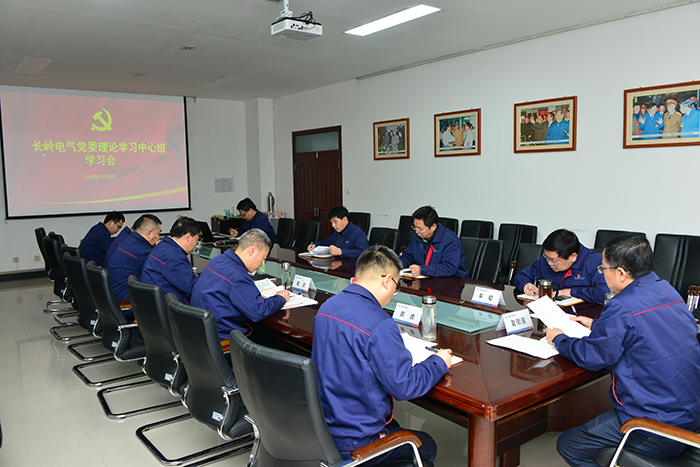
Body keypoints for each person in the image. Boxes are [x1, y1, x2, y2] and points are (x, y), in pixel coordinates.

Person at [545, 234, 700, 467]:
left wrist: (559, 339)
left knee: (570, 444)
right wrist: (597, 324)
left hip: (655, 423)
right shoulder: (666, 290)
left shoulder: (622, 305)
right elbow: (646, 327)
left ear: (620, 273)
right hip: (689, 412)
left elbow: (592, 356)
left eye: (603, 268)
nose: (602, 273)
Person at [312, 245, 453, 467]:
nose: (392, 293)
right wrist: (438, 362)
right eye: (396, 286)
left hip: (324, 427)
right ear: (388, 280)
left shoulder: (327, 307)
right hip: (356, 439)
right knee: (428, 446)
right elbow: (404, 387)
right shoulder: (379, 323)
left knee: (395, 424)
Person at [190, 229, 289, 340]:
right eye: (263, 258)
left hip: (201, 334)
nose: (261, 264)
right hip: (223, 340)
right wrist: (280, 298)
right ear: (253, 250)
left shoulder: (219, 260)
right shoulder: (237, 275)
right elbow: (258, 311)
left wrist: (254, 299)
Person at [513, 229, 609, 304]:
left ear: (573, 256)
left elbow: (604, 294)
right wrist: (526, 285)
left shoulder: (593, 263)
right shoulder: (547, 260)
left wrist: (570, 292)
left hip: (582, 317)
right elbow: (521, 276)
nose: (549, 263)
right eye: (547, 257)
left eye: (554, 261)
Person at [140, 216, 200, 304]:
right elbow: (192, 287)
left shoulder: (162, 246)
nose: (195, 244)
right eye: (196, 240)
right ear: (188, 237)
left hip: (152, 304)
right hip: (167, 309)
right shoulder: (174, 256)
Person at [104, 214, 162, 302]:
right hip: (124, 300)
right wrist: (159, 250)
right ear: (149, 233)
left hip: (113, 295)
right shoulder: (143, 251)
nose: (158, 238)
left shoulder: (129, 240)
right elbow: (158, 274)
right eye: (158, 233)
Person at [401, 206, 468, 278]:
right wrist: (397, 265)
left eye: (420, 228)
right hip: (426, 279)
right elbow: (407, 256)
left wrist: (422, 270)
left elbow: (449, 268)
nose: (416, 231)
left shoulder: (451, 240)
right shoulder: (417, 237)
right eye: (415, 227)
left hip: (450, 282)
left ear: (433, 227)